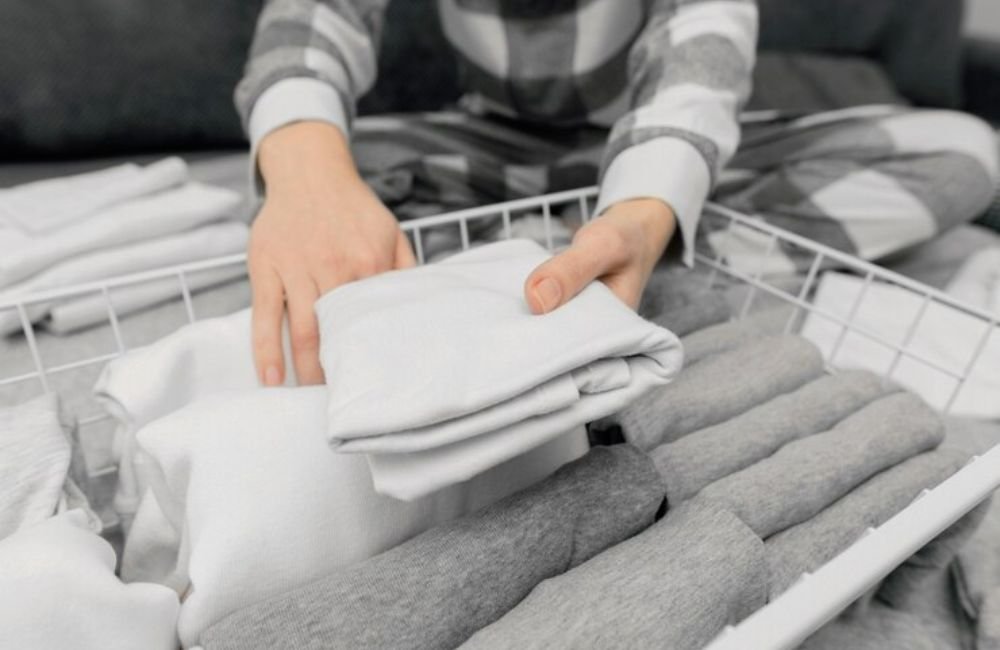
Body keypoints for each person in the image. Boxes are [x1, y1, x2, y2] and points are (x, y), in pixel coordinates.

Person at [237, 0, 998, 387]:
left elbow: (701, 52)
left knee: (963, 151)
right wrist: (308, 168)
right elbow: (315, 17)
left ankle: (595, 244)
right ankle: (617, 252)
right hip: (495, 149)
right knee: (295, 174)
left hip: (646, 149)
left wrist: (646, 206)